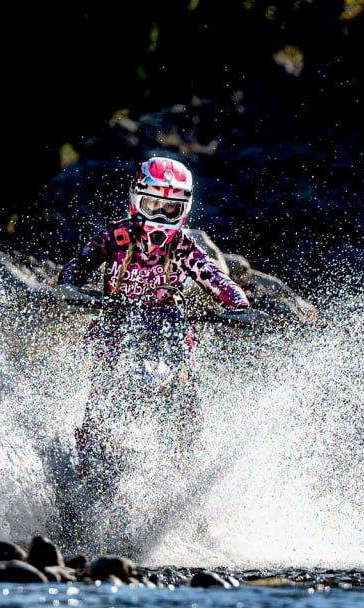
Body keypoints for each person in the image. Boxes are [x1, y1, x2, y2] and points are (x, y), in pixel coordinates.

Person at [58, 155, 251, 494]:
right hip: (117, 322)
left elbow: (214, 276)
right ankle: (88, 467)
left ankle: (186, 471)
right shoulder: (116, 237)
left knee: (188, 391)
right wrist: (71, 288)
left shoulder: (182, 246)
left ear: (185, 210)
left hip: (169, 326)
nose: (161, 216)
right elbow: (78, 265)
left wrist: (238, 303)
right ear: (136, 200)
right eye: (153, 205)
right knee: (103, 390)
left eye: (171, 209)